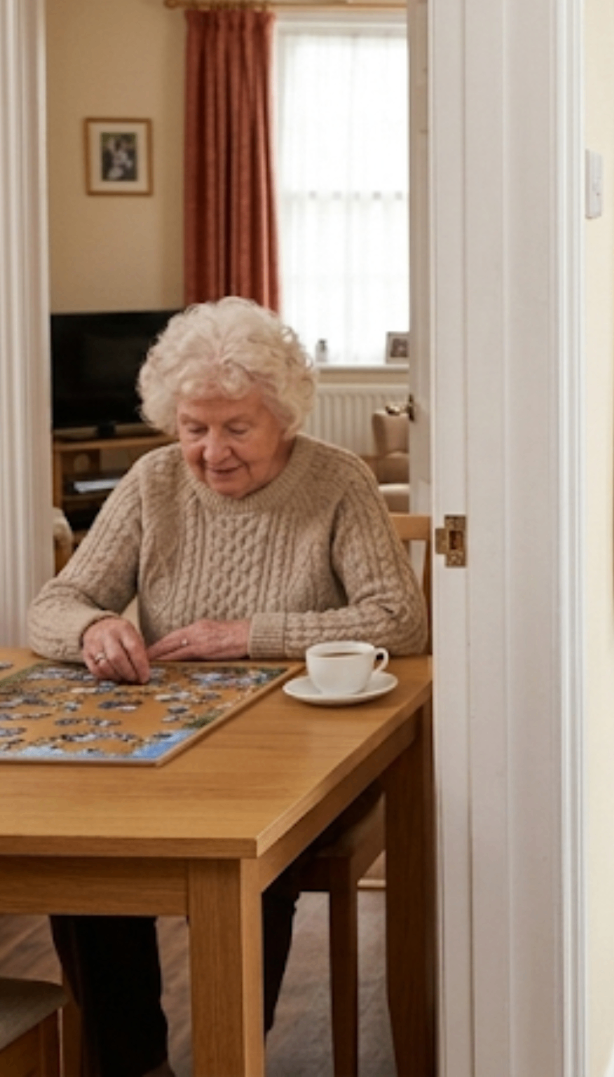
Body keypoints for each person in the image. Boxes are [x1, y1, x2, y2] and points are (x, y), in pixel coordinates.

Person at [29, 296, 428, 1077]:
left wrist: (245, 635)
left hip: (306, 747)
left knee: (248, 853)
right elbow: (56, 601)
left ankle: (226, 1052)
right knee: (84, 848)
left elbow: (398, 619)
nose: (212, 451)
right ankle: (134, 1063)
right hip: (171, 741)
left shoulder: (338, 481)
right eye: (193, 428)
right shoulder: (151, 483)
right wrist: (91, 629)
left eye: (236, 428)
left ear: (282, 416)